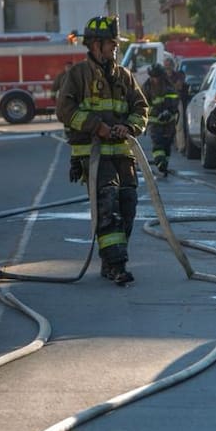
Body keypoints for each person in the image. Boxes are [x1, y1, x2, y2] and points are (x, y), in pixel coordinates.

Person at [56, 15, 148, 285]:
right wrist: (97, 127)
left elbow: (141, 108)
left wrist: (128, 127)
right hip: (94, 155)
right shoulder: (77, 75)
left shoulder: (124, 76)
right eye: (111, 44)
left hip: (122, 154)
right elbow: (65, 110)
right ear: (96, 45)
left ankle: (112, 258)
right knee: (108, 204)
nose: (115, 48)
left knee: (128, 204)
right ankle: (116, 265)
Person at [141, 62, 179, 176]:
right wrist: (155, 112)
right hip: (154, 122)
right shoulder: (146, 87)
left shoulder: (168, 85)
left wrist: (169, 111)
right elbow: (143, 104)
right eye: (153, 77)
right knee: (158, 143)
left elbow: (174, 99)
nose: (155, 80)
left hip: (169, 121)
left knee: (167, 144)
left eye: (157, 77)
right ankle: (160, 162)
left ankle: (164, 164)